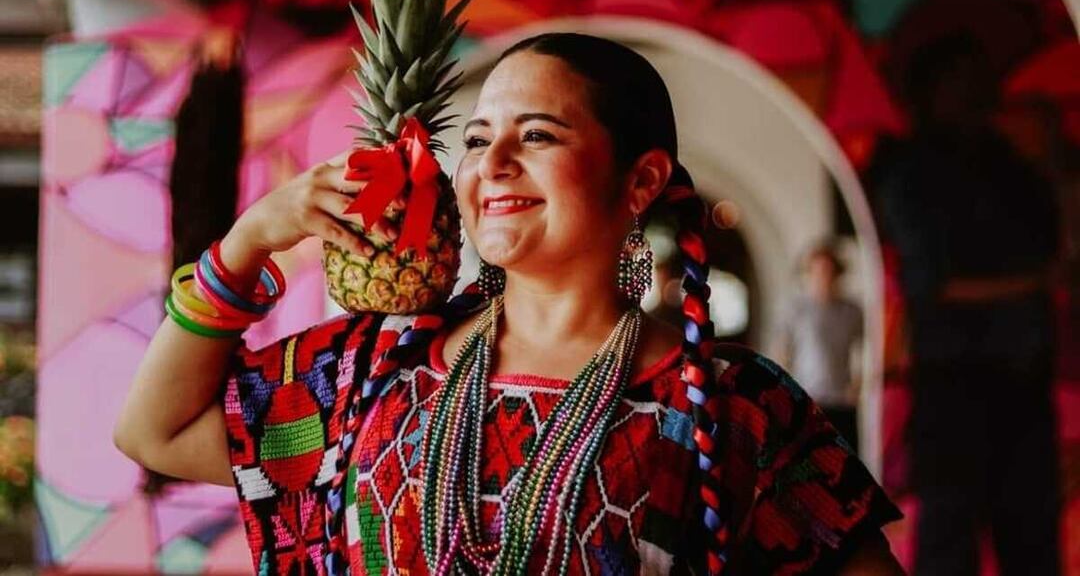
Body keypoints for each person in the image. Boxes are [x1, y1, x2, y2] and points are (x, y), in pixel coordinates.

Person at [114, 33, 904, 574]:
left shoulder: (734, 408)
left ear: (641, 181)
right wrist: (248, 242)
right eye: (478, 137)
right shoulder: (376, 365)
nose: (491, 163)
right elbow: (156, 430)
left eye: (537, 136)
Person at [875, 31, 1061, 576]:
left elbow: (1057, 244)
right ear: (932, 91)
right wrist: (1033, 284)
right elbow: (931, 283)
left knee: (1031, 535)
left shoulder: (1010, 164)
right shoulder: (912, 171)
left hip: (1023, 374)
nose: (981, 91)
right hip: (954, 380)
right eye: (963, 79)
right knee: (950, 537)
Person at [775, 242, 863, 452]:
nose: (823, 276)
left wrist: (858, 384)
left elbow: (863, 352)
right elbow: (782, 351)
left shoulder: (852, 311)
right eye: (817, 270)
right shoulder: (796, 309)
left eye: (828, 270)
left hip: (841, 399)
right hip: (809, 397)